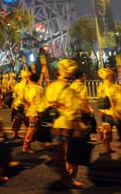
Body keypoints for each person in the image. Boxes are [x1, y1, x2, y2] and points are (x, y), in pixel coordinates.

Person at [46, 59, 83, 188]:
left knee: (60, 153)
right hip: (68, 125)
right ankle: (70, 178)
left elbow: (48, 105)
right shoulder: (70, 90)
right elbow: (73, 111)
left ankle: (64, 177)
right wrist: (78, 128)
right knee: (72, 153)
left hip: (56, 125)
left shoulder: (51, 87)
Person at [97, 67, 121, 153]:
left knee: (107, 130)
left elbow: (100, 99)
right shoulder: (114, 87)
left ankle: (107, 147)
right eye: (113, 76)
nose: (114, 78)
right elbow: (118, 100)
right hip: (114, 113)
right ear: (108, 77)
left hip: (105, 112)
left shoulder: (101, 87)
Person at [22, 73, 46, 153]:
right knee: (32, 128)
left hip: (31, 111)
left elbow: (26, 99)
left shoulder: (28, 88)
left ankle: (27, 144)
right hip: (36, 112)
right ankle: (26, 145)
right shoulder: (39, 88)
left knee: (32, 128)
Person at [11, 70, 30, 139]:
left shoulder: (18, 85)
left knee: (17, 120)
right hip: (22, 105)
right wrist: (28, 103)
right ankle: (28, 136)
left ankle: (15, 134)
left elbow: (14, 95)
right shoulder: (24, 85)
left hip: (16, 104)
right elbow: (23, 97)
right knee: (26, 121)